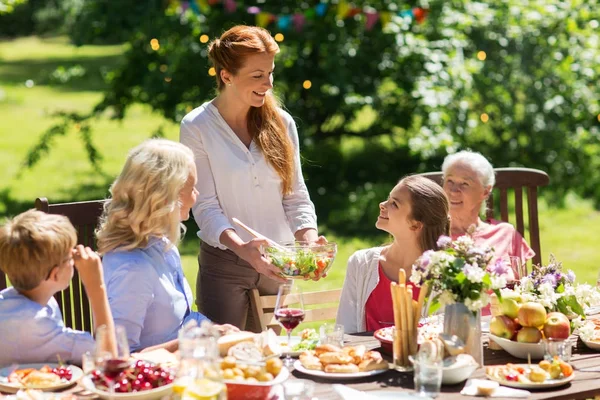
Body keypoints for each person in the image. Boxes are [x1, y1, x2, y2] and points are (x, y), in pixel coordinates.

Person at [180, 25, 324, 332]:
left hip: (279, 262)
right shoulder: (197, 126)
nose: (268, 84)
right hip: (225, 265)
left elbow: (295, 194)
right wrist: (242, 248)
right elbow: (204, 207)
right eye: (257, 75)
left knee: (274, 357)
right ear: (226, 76)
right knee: (226, 360)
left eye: (271, 73)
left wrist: (308, 243)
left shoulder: (281, 123)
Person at [97, 139, 232, 353]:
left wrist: (216, 329)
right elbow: (120, 357)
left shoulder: (162, 244)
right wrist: (197, 339)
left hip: (186, 365)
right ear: (167, 196)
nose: (196, 196)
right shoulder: (133, 268)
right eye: (192, 188)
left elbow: (183, 320)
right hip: (156, 381)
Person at [336, 175, 450, 333]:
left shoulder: (445, 274)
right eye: (388, 199)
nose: (382, 205)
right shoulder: (361, 263)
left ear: (416, 224)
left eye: (394, 204)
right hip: (367, 357)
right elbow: (345, 330)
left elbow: (444, 335)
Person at [0, 210, 115, 365]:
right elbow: (109, 359)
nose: (75, 258)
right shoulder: (37, 324)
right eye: (70, 257)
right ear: (55, 274)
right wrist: (97, 287)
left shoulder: (10, 302)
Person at [441, 150, 535, 279]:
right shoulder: (430, 234)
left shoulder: (505, 233)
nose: (453, 191)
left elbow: (524, 289)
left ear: (485, 192)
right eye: (450, 181)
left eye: (464, 183)